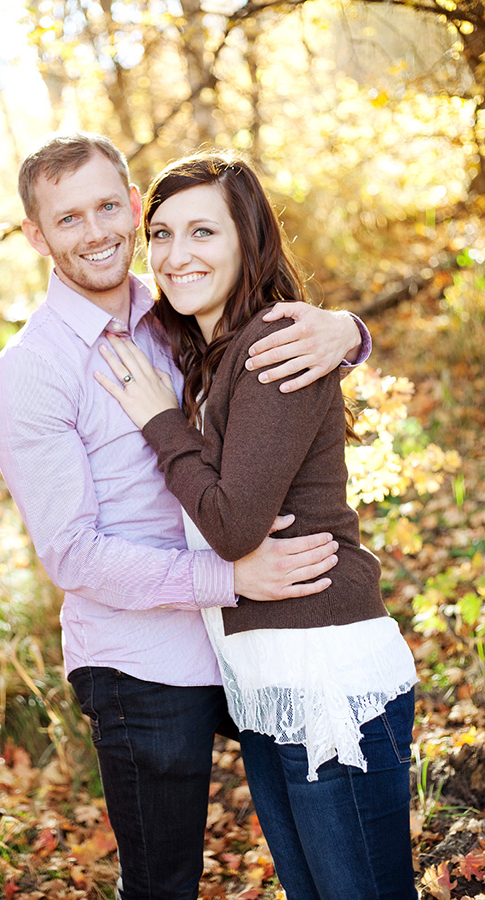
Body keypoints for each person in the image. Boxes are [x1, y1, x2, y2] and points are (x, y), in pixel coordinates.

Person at [0, 133, 373, 900]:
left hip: (249, 641)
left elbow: (272, 343)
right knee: (164, 883)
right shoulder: (29, 372)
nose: (95, 232)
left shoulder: (179, 309)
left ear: (135, 206)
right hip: (142, 664)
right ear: (36, 235)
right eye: (68, 219)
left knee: (319, 849)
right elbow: (72, 554)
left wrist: (349, 332)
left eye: (107, 207)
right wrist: (229, 577)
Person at [95, 151, 419, 900]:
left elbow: (236, 526)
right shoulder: (212, 355)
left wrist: (159, 423)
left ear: (249, 240)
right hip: (269, 683)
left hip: (326, 676)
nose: (176, 255)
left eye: (203, 231)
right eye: (162, 234)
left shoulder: (274, 344)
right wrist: (353, 330)